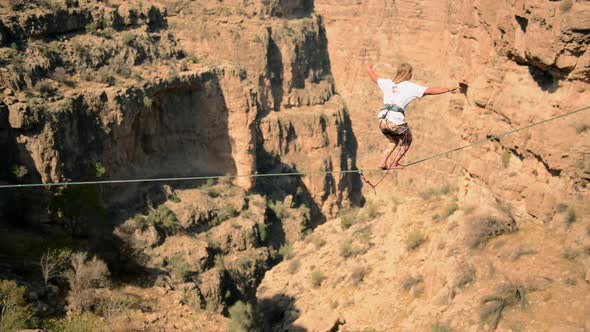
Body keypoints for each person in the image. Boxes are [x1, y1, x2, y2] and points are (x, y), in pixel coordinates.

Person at [366, 63, 458, 170]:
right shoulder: (410, 87)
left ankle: (383, 162)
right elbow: (430, 91)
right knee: (407, 140)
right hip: (395, 121)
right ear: (408, 74)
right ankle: (395, 163)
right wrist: (448, 89)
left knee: (394, 140)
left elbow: (374, 78)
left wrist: (368, 68)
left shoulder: (387, 83)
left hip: (382, 120)